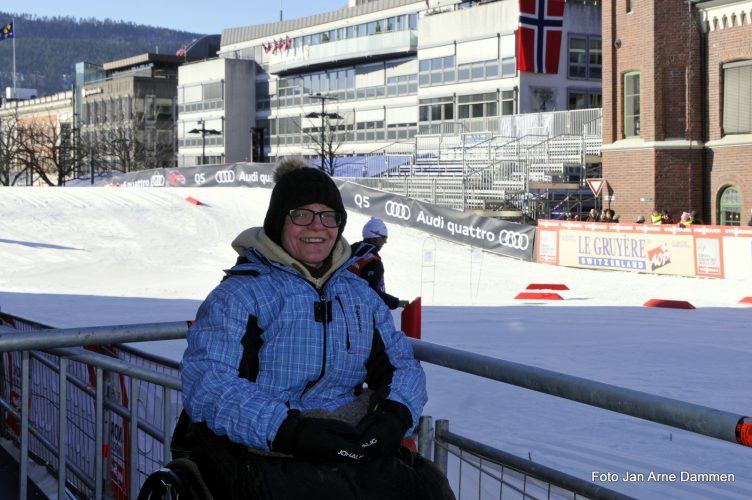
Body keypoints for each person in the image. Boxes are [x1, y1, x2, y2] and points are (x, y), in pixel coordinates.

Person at [178, 157, 454, 499]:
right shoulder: (240, 295)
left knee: (428, 488)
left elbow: (402, 365)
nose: (316, 227)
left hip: (346, 437)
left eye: (328, 216)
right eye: (301, 214)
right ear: (279, 221)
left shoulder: (358, 295)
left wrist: (395, 414)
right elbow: (209, 382)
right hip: (265, 444)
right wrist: (289, 430)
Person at [349, 217, 409, 310]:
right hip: (362, 313)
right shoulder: (373, 262)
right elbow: (372, 293)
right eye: (384, 238)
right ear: (375, 238)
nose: (385, 242)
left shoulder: (351, 250)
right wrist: (396, 303)